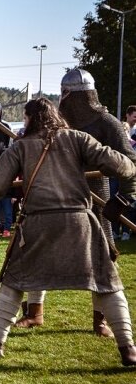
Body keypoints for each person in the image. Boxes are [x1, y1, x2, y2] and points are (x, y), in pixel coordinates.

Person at [0, 98, 136, 367]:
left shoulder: (22, 147)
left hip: (39, 224)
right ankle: (128, 349)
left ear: (29, 119)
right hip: (80, 223)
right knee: (107, 283)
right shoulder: (78, 139)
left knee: (13, 281)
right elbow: (125, 165)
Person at [16, 68, 136, 336]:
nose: (63, 98)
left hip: (95, 198)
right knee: (38, 251)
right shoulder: (56, 121)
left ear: (74, 94)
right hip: (58, 195)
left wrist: (124, 198)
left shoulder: (108, 124)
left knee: (104, 257)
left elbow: (131, 162)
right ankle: (35, 312)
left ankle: (101, 320)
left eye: (66, 93)